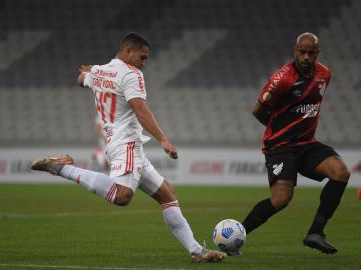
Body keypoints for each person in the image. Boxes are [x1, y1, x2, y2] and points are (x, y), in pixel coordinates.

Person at [31, 32, 225, 263]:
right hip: (127, 143)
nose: (144, 63)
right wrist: (163, 139)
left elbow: (81, 79)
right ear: (128, 51)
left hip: (120, 144)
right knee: (122, 196)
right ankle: (61, 168)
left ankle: (196, 251)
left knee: (167, 195)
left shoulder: (99, 71)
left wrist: (87, 71)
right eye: (142, 57)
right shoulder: (132, 75)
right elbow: (140, 109)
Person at [241, 32, 350, 254]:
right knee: (281, 199)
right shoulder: (282, 80)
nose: (306, 57)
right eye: (302, 52)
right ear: (295, 50)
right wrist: (278, 131)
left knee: (340, 172)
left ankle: (315, 232)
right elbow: (257, 110)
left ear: (318, 53)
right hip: (281, 146)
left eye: (311, 53)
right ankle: (237, 234)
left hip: (306, 144)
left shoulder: (324, 74)